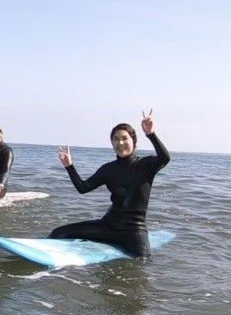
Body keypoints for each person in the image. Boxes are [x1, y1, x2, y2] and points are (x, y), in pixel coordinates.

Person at [49, 109, 170, 257]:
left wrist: (150, 133)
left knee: (142, 259)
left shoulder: (145, 165)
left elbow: (165, 158)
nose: (120, 143)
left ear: (134, 141)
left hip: (134, 230)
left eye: (125, 138)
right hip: (108, 226)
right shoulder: (108, 169)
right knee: (58, 233)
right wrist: (69, 166)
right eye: (115, 139)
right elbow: (83, 187)